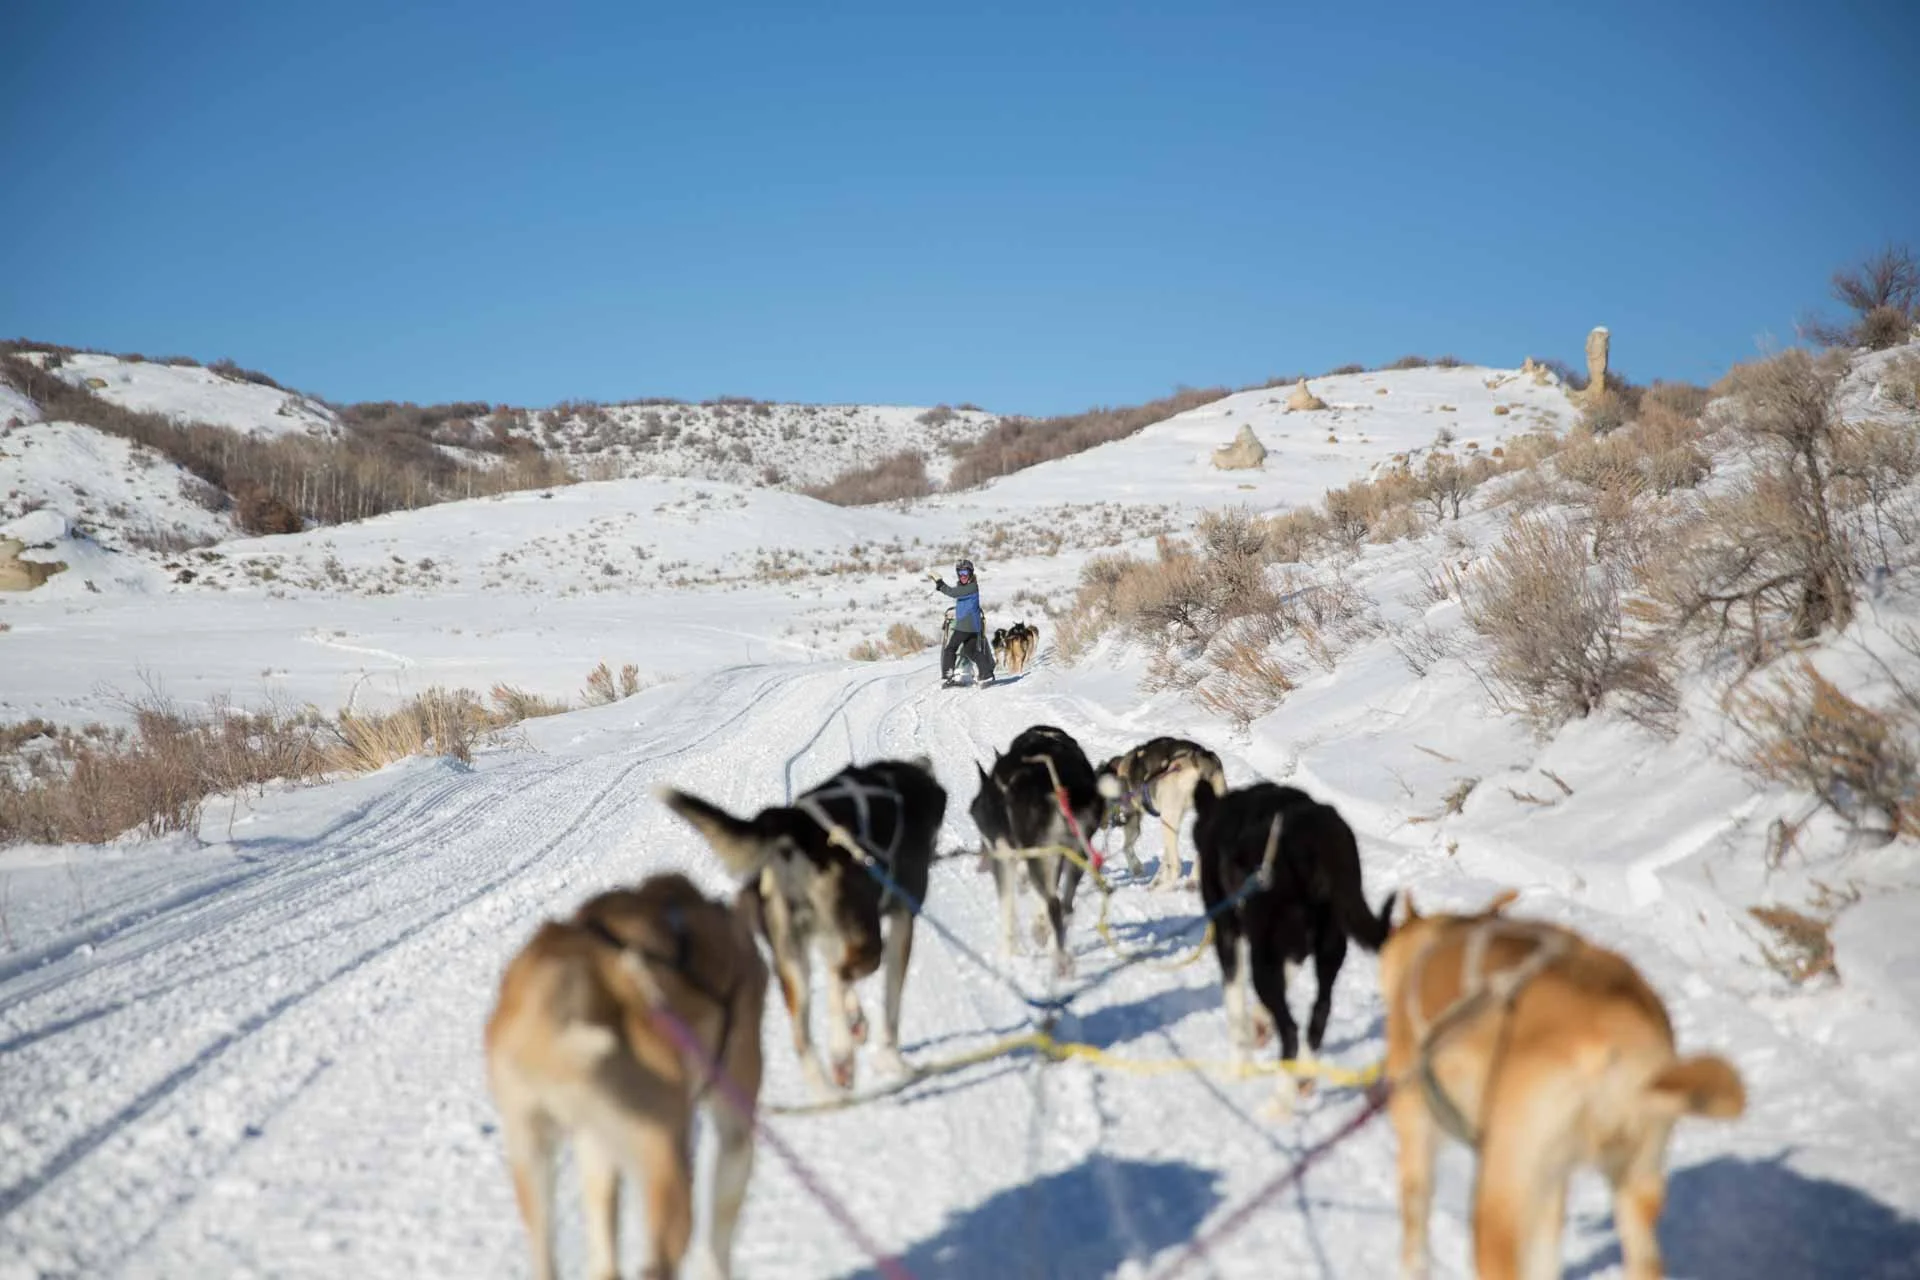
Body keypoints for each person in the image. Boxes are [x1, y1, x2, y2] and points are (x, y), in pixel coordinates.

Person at [932, 557, 995, 686]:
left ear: (971, 573)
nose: (962, 576)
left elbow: (952, 592)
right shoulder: (966, 587)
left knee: (950, 648)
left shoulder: (971, 587)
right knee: (970, 651)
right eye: (960, 573)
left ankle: (948, 677)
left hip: (966, 625)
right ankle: (986, 673)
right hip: (972, 626)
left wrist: (940, 583)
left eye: (965, 573)